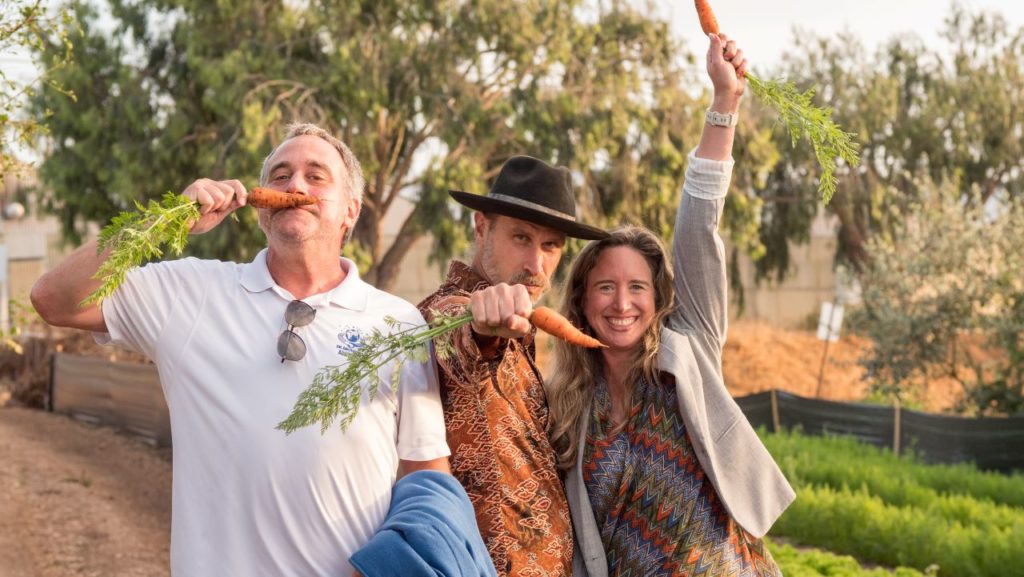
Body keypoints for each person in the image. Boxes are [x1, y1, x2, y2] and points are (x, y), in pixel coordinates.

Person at [30, 123, 451, 577]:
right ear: (259, 208)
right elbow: (54, 300)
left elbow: (426, 474)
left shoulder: (398, 322)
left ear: (350, 210)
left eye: (316, 175)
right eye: (281, 175)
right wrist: (166, 220)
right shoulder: (189, 292)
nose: (295, 185)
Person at [546, 34, 795, 577]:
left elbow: (698, 223)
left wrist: (724, 103)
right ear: (583, 302)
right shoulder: (567, 404)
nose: (622, 303)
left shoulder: (688, 349)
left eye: (637, 287)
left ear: (657, 299)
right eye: (605, 288)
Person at [418, 154, 608, 577]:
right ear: (481, 227)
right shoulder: (450, 313)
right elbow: (458, 340)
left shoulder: (525, 337)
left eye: (551, 246)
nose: (536, 265)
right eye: (521, 238)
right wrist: (482, 325)